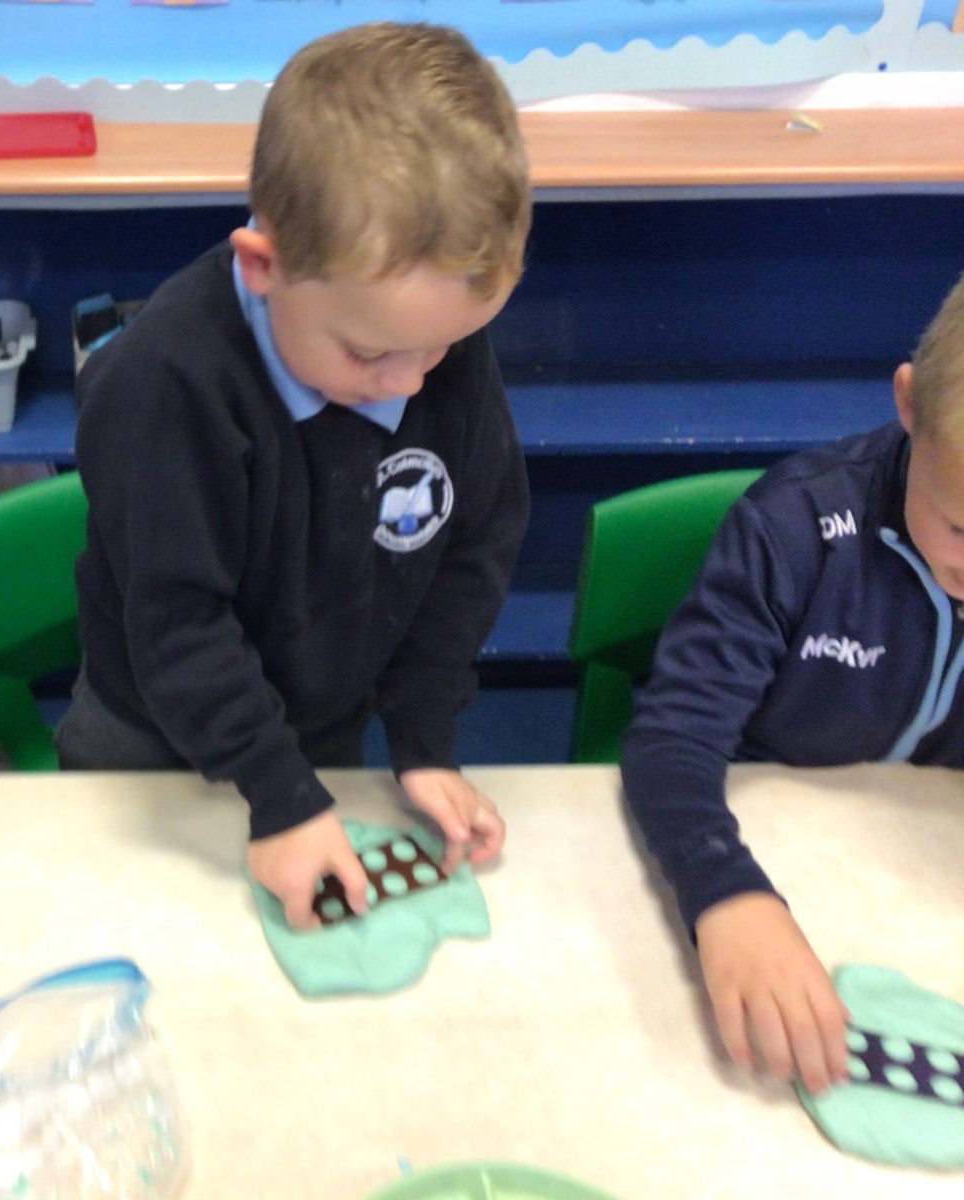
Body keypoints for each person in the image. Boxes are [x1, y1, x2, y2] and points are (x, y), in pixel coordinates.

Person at [56, 22, 533, 933]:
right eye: (371, 354)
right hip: (149, 731)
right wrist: (279, 796)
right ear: (264, 266)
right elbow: (179, 624)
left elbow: (474, 544)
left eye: (443, 348)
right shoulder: (167, 386)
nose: (410, 384)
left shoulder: (418, 341)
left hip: (320, 717)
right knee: (138, 922)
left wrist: (423, 738)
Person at [622, 269, 964, 1098]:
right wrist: (726, 894)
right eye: (960, 527)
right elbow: (672, 739)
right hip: (762, 856)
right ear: (909, 404)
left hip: (922, 892)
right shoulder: (795, 529)